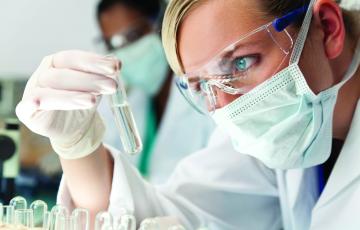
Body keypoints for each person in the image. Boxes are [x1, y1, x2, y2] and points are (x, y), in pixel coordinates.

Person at [16, 0, 360, 229]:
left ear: (327, 29)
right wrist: (78, 147)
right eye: (201, 85)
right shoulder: (279, 125)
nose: (226, 106)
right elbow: (178, 218)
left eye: (241, 62)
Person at [96, 0, 215, 183]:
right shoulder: (130, 97)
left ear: (161, 24)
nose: (125, 52)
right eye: (112, 44)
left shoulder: (206, 92)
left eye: (133, 36)